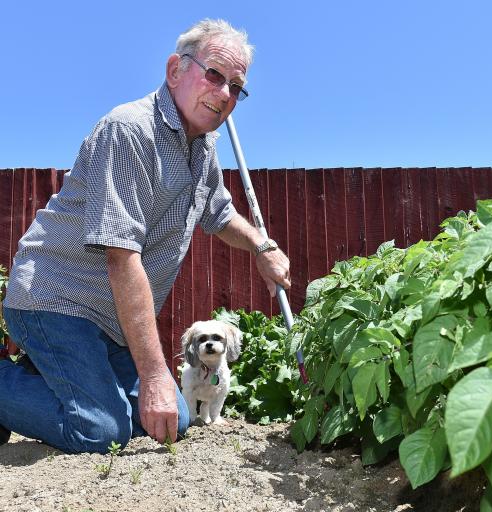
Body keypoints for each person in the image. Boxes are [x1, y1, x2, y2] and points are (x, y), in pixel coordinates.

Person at [0, 19, 290, 454]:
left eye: (236, 86)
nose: (225, 94)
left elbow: (219, 212)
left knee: (180, 418)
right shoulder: (130, 130)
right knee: (100, 431)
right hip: (55, 299)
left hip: (109, 321)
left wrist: (262, 246)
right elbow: (121, 257)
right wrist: (154, 376)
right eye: (214, 75)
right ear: (176, 70)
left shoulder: (202, 146)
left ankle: (53, 381)